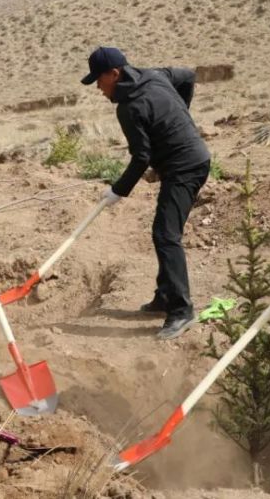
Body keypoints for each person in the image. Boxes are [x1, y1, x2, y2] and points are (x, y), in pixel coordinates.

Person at [81, 46, 211, 340]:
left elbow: (141, 157)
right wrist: (180, 113)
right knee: (162, 230)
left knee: (166, 235)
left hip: (186, 167)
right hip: (189, 160)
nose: (99, 90)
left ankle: (181, 311)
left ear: (114, 74)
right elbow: (188, 76)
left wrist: (118, 191)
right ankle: (165, 296)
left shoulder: (129, 108)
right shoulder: (155, 76)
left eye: (99, 82)